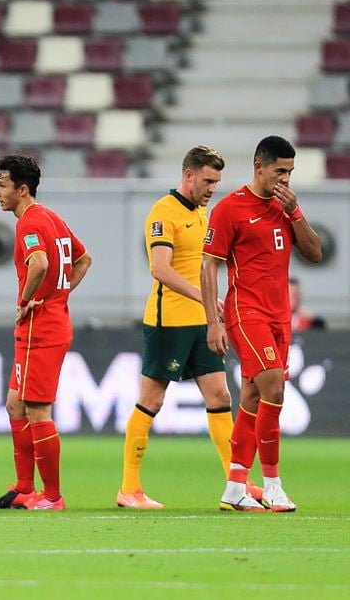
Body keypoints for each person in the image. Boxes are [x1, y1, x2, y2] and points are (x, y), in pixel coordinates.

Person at [116, 145, 265, 509]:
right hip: (169, 322)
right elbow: (160, 269)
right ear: (189, 175)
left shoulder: (201, 212)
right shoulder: (163, 213)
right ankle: (129, 489)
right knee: (151, 400)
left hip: (201, 323)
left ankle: (238, 482)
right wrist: (203, 295)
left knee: (220, 398)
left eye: (217, 181)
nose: (213, 188)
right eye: (208, 180)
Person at [202, 135, 323, 512]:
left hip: (279, 315)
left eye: (290, 172)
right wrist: (213, 322)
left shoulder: (287, 208)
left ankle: (236, 486)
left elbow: (315, 253)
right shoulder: (231, 208)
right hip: (245, 310)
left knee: (254, 396)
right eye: (279, 171)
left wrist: (297, 213)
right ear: (259, 167)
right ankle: (272, 485)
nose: (285, 179)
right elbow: (209, 266)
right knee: (274, 387)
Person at [0, 154, 91, 511]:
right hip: (48, 324)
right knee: (15, 404)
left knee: (38, 412)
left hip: (40, 331)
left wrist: (28, 299)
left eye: (3, 185)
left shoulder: (29, 223)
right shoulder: (52, 218)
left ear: (22, 189)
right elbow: (83, 259)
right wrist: (59, 295)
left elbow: (40, 263)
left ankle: (52, 497)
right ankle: (25, 487)